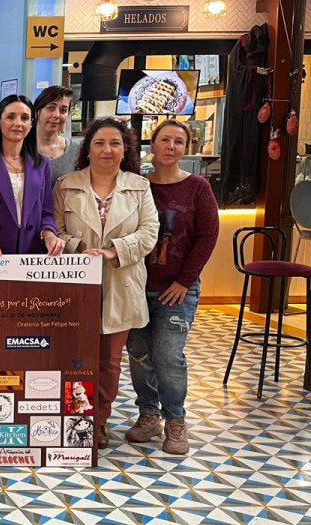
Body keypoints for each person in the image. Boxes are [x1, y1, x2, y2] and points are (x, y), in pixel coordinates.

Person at [53, 117, 159, 449]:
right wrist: (79, 249)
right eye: (99, 143)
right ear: (88, 148)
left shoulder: (139, 187)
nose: (107, 150)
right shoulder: (66, 185)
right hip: (74, 284)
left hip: (121, 283)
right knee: (73, 356)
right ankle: (71, 417)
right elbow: (54, 230)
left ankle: (97, 421)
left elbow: (149, 233)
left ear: (125, 149)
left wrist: (115, 251)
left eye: (115, 143)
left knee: (110, 362)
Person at [125, 120, 218, 455]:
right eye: (165, 139)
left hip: (177, 290)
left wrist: (184, 282)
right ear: (153, 144)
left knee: (168, 355)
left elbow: (208, 238)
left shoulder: (197, 188)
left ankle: (175, 421)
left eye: (179, 141)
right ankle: (148, 415)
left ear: (187, 148)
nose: (171, 146)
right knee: (138, 353)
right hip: (135, 288)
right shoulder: (137, 186)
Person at [0, 94, 64, 256]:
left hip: (30, 253)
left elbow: (46, 212)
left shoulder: (42, 164)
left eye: (25, 118)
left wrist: (49, 234)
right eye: (10, 117)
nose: (18, 123)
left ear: (31, 124)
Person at [34, 86, 81, 184]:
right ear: (38, 111)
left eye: (63, 110)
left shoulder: (76, 151)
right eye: (51, 108)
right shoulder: (21, 148)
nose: (56, 115)